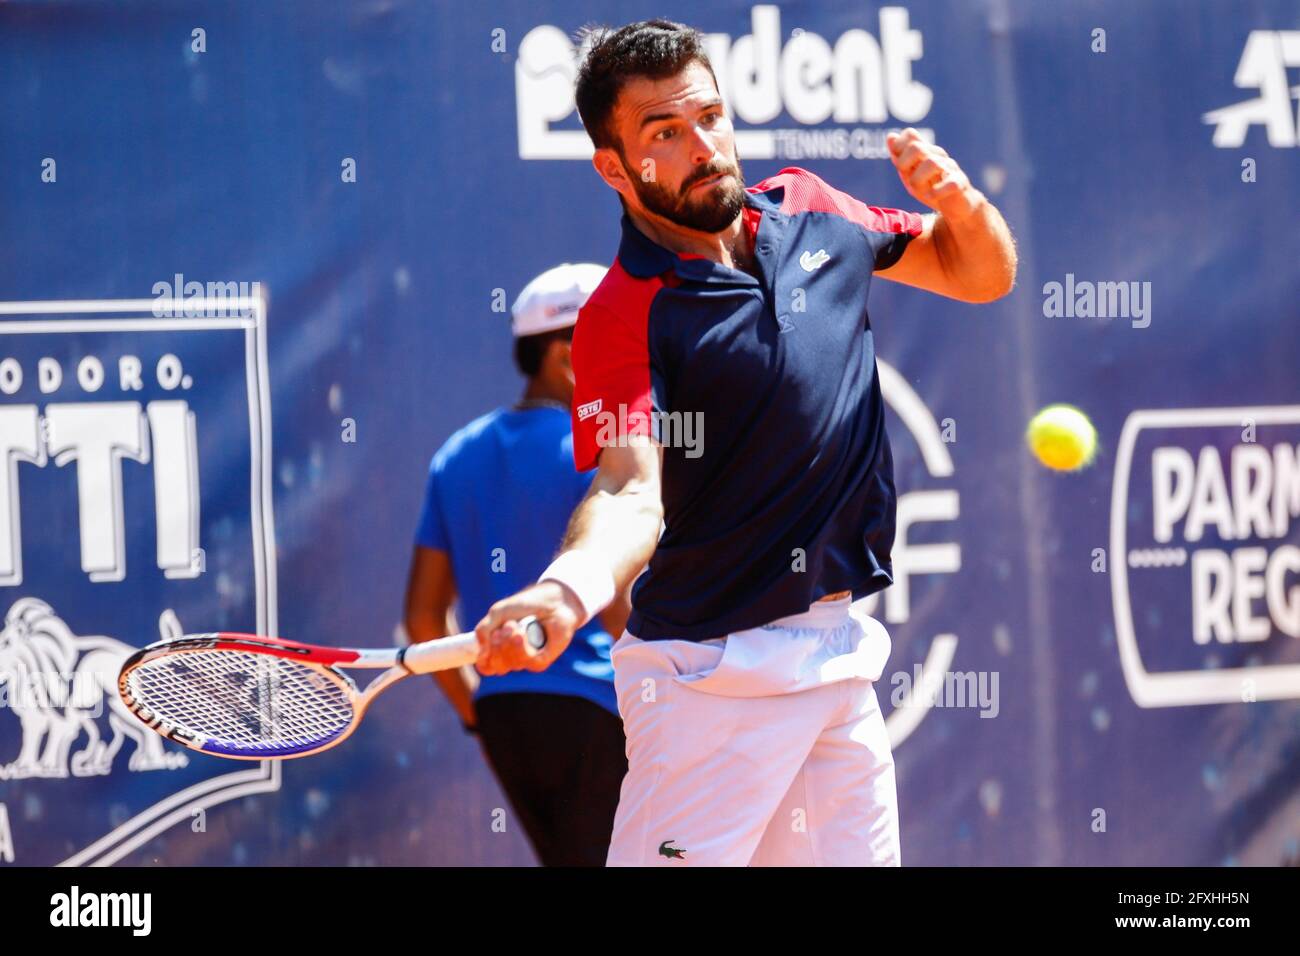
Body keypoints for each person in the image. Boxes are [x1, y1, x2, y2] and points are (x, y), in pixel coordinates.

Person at [473, 19, 1017, 866]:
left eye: (711, 117)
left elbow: (980, 274)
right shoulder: (622, 314)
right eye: (664, 133)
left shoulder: (813, 209)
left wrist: (961, 203)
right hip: (710, 687)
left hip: (837, 664)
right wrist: (568, 589)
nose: (703, 146)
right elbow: (629, 487)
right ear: (614, 168)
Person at [403, 262, 630, 867]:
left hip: (505, 715)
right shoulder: (602, 457)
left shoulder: (456, 456)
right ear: (563, 358)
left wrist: (478, 714)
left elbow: (423, 620)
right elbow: (623, 613)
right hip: (600, 710)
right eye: (607, 344)